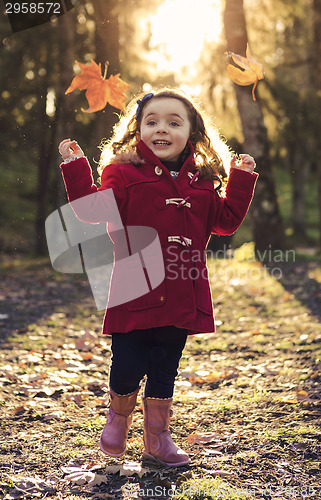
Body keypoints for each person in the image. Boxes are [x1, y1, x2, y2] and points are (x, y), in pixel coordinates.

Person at [58, 88, 258, 467]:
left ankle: (157, 439)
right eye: (152, 122)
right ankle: (118, 418)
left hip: (183, 291)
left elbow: (226, 220)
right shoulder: (123, 173)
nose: (161, 128)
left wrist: (241, 178)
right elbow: (90, 209)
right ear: (137, 130)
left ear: (193, 133)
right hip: (135, 291)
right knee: (128, 363)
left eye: (173, 122)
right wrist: (76, 167)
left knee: (166, 366)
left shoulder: (201, 182)